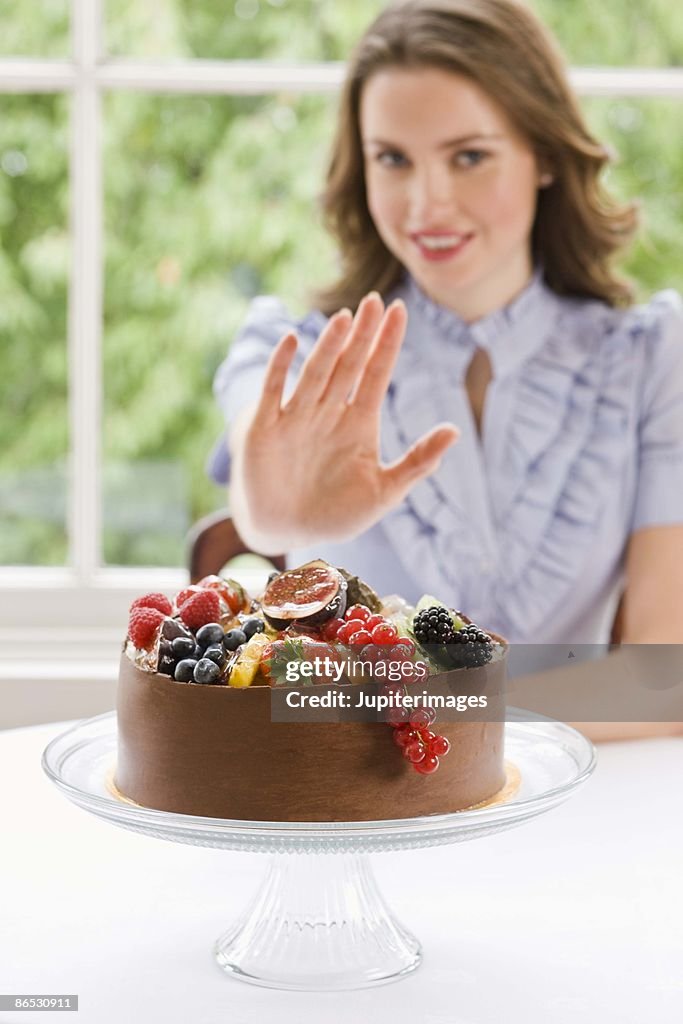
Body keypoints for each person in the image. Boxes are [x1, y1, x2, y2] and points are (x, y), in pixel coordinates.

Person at [209, 0, 683, 739]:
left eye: (468, 156)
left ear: (546, 155)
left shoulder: (652, 359)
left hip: (570, 811)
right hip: (342, 816)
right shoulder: (294, 349)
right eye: (392, 158)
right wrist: (274, 512)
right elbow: (260, 502)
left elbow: (663, 678)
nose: (427, 203)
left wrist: (444, 730)